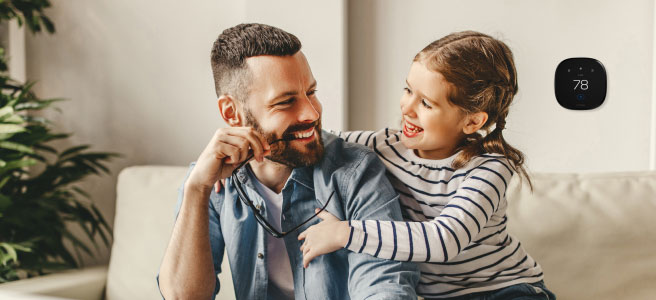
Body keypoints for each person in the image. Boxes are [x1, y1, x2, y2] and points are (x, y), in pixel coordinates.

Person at [156, 23, 418, 300]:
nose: (311, 113)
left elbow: (387, 287)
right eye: (285, 102)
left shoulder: (356, 172)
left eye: (311, 92)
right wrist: (196, 188)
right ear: (232, 113)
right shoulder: (210, 182)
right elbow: (183, 297)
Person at [298, 31, 556, 299]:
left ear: (472, 122)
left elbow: (444, 240)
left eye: (426, 103)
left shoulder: (488, 168)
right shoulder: (385, 145)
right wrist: (255, 135)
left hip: (505, 289)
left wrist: (344, 233)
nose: (407, 108)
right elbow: (322, 141)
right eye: (408, 90)